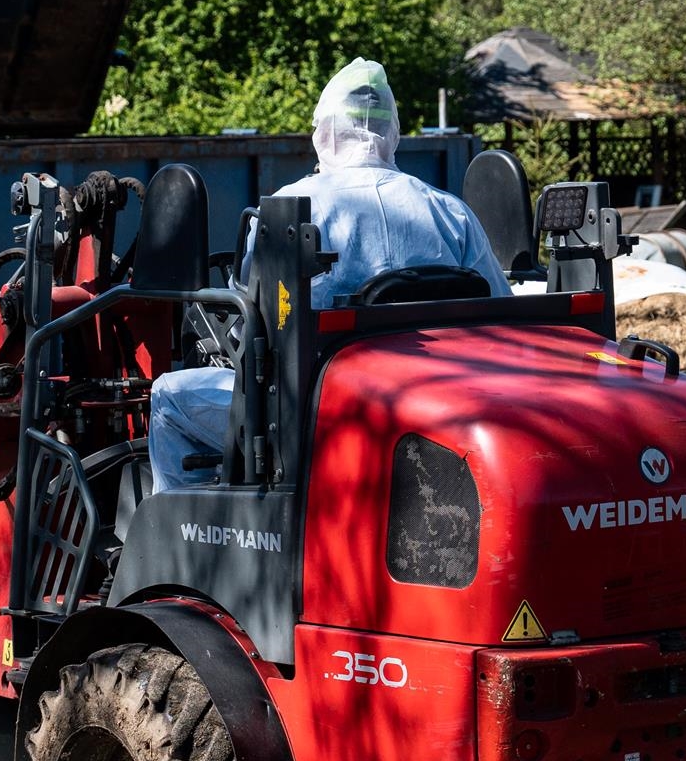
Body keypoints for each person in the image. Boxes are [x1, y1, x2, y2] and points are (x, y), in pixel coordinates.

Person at [146, 58, 509, 491]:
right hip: (440, 407)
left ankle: (201, 532)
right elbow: (501, 313)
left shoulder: (287, 208)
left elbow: (250, 328)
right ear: (393, 130)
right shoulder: (450, 212)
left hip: (315, 415)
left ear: (325, 131)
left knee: (168, 397)